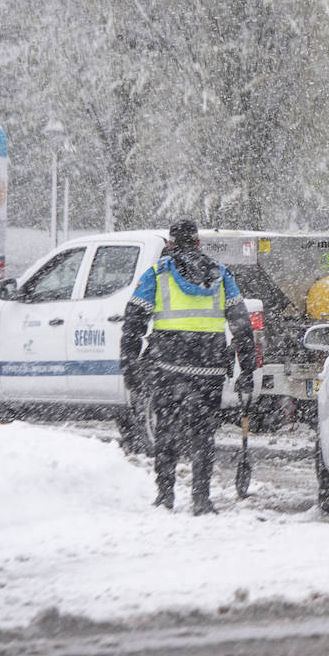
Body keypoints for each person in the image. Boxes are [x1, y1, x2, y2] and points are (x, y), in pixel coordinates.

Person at [120, 219, 256, 515]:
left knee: (166, 429)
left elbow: (133, 321)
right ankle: (201, 498)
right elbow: (242, 326)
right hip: (210, 368)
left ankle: (165, 495)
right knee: (203, 433)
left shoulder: (157, 274)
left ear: (170, 244)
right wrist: (248, 368)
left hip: (168, 366)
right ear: (197, 242)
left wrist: (129, 363)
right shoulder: (221, 275)